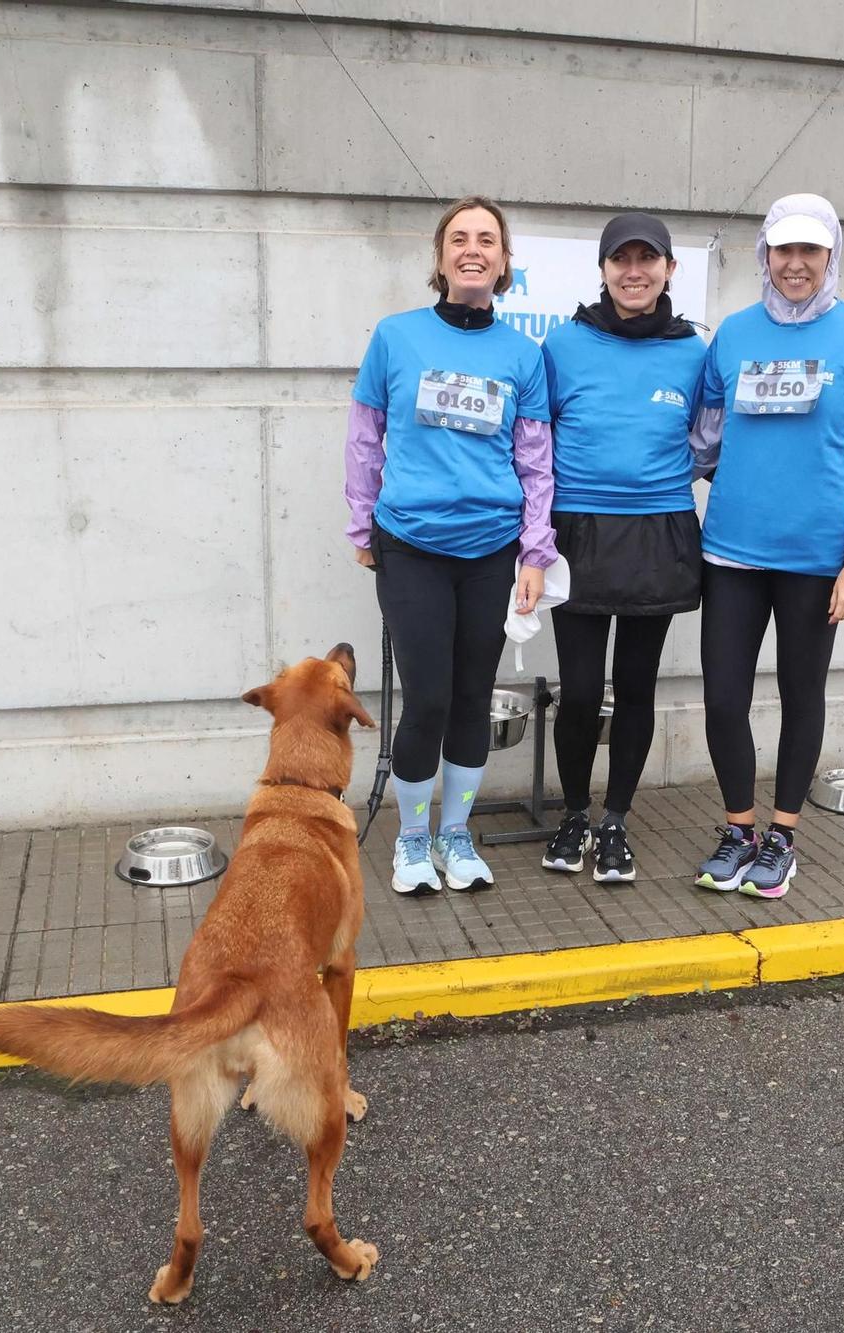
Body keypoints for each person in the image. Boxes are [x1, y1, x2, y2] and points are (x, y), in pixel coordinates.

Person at [688, 193, 844, 900]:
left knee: (800, 694)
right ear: (766, 255)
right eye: (785, 250)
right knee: (724, 698)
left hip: (817, 561)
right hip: (732, 552)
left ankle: (784, 835)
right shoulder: (734, 335)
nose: (797, 264)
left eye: (812, 250)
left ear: (831, 254)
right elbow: (704, 439)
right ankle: (738, 828)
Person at [344, 196, 556, 895]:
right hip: (411, 546)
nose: (473, 249)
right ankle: (411, 842)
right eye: (459, 238)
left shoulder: (524, 355)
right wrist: (360, 522)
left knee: (472, 698)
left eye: (487, 240)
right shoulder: (395, 337)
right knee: (428, 698)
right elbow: (365, 437)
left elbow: (534, 462)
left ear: (504, 263)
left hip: (492, 549)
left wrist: (534, 552)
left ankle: (456, 835)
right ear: (439, 258)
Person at [536, 213, 707, 884]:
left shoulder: (695, 351)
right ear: (603, 270)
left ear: (669, 269)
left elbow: (715, 437)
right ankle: (575, 811)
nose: (634, 271)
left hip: (659, 533)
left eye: (648, 258)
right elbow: (533, 442)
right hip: (577, 533)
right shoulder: (562, 345)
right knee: (579, 691)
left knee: (636, 686)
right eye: (620, 259)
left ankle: (616, 821)